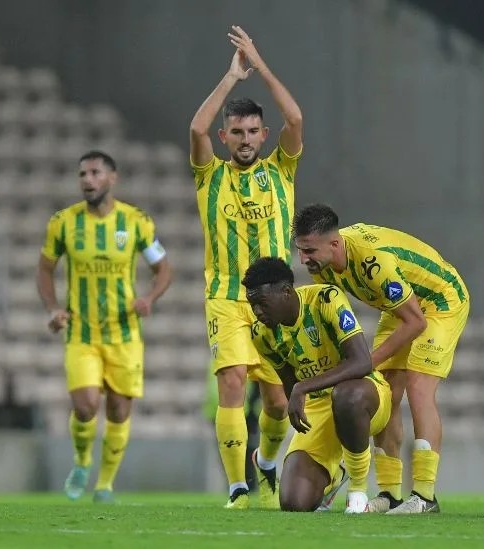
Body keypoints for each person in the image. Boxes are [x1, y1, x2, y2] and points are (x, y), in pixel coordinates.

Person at [189, 25, 303, 509]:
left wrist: (261, 61)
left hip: (275, 304)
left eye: (253, 131)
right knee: (232, 380)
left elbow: (295, 116)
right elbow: (195, 129)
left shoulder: (282, 169)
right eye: (236, 132)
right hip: (227, 298)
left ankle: (268, 463)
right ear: (225, 136)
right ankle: (237, 487)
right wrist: (232, 77)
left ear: (264, 135)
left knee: (278, 404)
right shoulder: (208, 174)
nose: (245, 139)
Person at [293, 205, 471, 514]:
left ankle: (425, 496)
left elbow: (416, 322)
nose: (303, 259)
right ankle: (390, 494)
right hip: (399, 306)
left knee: (418, 387)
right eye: (300, 250)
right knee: (385, 393)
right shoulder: (322, 266)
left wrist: (368, 361)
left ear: (335, 244)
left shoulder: (373, 261)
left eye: (309, 250)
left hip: (440, 301)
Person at [37, 150, 172, 503]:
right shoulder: (63, 223)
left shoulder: (136, 222)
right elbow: (45, 269)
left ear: (112, 178)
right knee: (85, 407)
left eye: (95, 173)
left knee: (118, 410)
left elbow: (163, 270)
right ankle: (82, 461)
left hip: (124, 333)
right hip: (81, 332)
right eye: (82, 174)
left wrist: (149, 299)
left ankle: (105, 484)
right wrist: (53, 308)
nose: (87, 180)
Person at [242, 257, 392, 513]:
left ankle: (357, 490)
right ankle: (336, 471)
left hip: (364, 395)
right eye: (253, 304)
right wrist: (299, 400)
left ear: (286, 292)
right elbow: (290, 383)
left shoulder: (326, 299)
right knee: (294, 503)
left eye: (262, 303)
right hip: (319, 410)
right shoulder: (262, 334)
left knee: (346, 395)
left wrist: (303, 388)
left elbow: (362, 362)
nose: (257, 312)